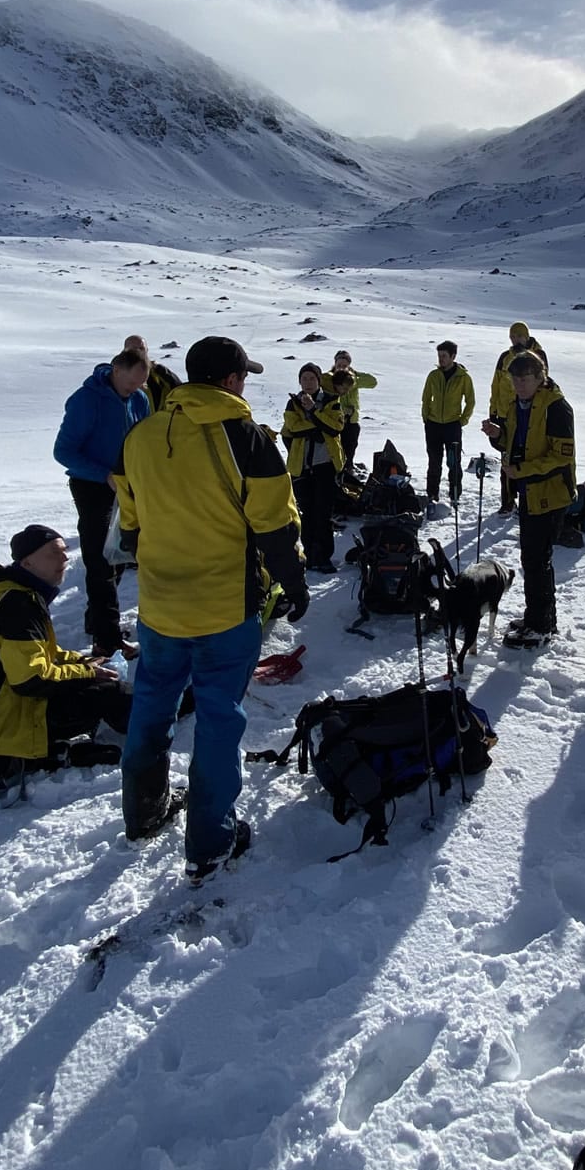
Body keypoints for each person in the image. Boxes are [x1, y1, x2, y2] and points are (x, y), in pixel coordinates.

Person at [112, 336, 309, 878]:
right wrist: (294, 583)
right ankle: (209, 842)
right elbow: (275, 525)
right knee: (219, 722)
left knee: (152, 704)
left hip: (158, 608)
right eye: (242, 376)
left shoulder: (141, 434)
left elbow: (129, 527)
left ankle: (144, 812)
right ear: (228, 380)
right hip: (225, 609)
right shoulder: (246, 437)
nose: (244, 384)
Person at [0, 525, 132, 779]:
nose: (64, 558)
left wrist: (81, 661)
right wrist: (86, 672)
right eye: (53, 553)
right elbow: (31, 679)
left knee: (91, 682)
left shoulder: (14, 594)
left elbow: (38, 653)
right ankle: (162, 719)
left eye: (64, 551)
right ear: (27, 563)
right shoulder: (18, 605)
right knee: (107, 692)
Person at [53, 347, 150, 658]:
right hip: (92, 486)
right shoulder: (87, 399)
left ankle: (97, 620)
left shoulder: (139, 400)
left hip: (127, 486)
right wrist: (103, 474)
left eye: (140, 384)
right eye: (130, 383)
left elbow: (143, 442)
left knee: (120, 554)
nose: (135, 389)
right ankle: (106, 640)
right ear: (116, 370)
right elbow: (64, 451)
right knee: (100, 560)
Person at [482, 351, 573, 646]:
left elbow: (560, 457)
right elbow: (514, 441)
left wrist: (523, 471)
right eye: (515, 379)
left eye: (525, 379)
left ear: (539, 377)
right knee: (532, 559)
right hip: (528, 491)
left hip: (550, 493)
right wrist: (497, 435)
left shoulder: (556, 407)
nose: (519, 384)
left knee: (536, 560)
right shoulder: (517, 404)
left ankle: (540, 625)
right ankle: (540, 618)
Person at [282, 363, 348, 573]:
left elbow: (336, 427)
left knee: (323, 513)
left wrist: (312, 411)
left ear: (319, 381)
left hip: (325, 466)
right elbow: (291, 428)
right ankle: (310, 556)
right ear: (299, 382)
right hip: (301, 467)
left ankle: (324, 557)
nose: (308, 383)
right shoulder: (293, 403)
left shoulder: (331, 401)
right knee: (306, 514)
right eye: (304, 379)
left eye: (312, 379)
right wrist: (318, 427)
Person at [488, 323, 550, 513]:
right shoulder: (505, 357)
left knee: (526, 459)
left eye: (518, 337)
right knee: (506, 459)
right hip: (506, 414)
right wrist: (493, 410)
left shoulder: (538, 355)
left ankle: (527, 499)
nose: (515, 340)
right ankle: (507, 501)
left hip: (529, 414)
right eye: (512, 337)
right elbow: (496, 384)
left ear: (526, 336)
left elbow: (543, 383)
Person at [420, 340, 476, 508]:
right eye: (439, 355)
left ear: (453, 356)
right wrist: (426, 418)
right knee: (434, 462)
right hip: (433, 425)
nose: (441, 359)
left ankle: (454, 495)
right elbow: (425, 398)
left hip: (452, 426)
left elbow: (470, 401)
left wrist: (462, 420)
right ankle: (432, 494)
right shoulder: (433, 375)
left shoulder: (463, 377)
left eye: (444, 356)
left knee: (453, 462)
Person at [330, 349, 377, 478]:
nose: (341, 368)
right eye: (339, 364)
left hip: (352, 422)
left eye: (345, 365)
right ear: (335, 363)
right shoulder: (329, 378)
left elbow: (373, 382)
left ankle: (348, 474)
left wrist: (352, 379)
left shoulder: (353, 378)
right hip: (335, 422)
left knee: (350, 451)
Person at [125, 334, 182, 413]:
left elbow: (181, 392)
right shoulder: (115, 376)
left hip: (158, 422)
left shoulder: (160, 373)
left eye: (141, 348)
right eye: (133, 349)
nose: (138, 352)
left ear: (147, 350)